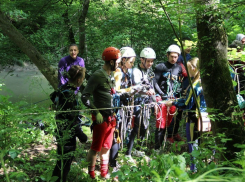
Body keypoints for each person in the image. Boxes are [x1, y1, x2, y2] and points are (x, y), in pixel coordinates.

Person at [81, 47, 121, 179]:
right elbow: (84, 96)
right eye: (117, 61)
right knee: (95, 147)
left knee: (106, 147)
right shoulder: (98, 76)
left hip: (110, 118)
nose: (119, 64)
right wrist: (95, 112)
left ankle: (104, 173)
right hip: (100, 118)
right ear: (111, 62)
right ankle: (90, 175)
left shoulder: (109, 76)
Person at [165, 57, 205, 171]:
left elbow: (187, 103)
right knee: (200, 144)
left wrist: (173, 102)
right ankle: (200, 168)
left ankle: (194, 170)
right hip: (203, 118)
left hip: (194, 118)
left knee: (193, 145)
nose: (187, 71)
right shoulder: (203, 82)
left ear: (194, 68)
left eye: (188, 68)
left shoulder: (196, 85)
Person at [52, 65, 88, 182]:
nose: (82, 81)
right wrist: (82, 136)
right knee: (65, 163)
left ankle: (54, 179)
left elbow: (54, 98)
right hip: (67, 133)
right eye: (82, 79)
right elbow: (72, 121)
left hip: (60, 129)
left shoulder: (63, 88)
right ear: (78, 80)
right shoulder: (70, 95)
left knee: (60, 161)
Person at [125, 47, 156, 158]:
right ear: (142, 60)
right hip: (137, 102)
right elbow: (137, 86)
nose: (150, 63)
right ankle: (128, 152)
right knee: (135, 126)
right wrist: (146, 91)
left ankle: (138, 149)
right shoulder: (136, 71)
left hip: (146, 103)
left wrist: (154, 100)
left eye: (152, 61)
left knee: (144, 126)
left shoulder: (148, 71)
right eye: (148, 61)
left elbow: (151, 85)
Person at [109, 47, 136, 171]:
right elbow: (117, 89)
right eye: (131, 62)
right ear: (123, 60)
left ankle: (115, 160)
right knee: (117, 133)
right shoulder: (118, 72)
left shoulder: (126, 72)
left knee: (122, 131)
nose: (132, 64)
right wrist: (130, 90)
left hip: (124, 106)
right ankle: (112, 163)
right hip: (117, 107)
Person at [154, 44, 187, 145]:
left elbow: (179, 82)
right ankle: (157, 146)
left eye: (176, 57)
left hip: (173, 98)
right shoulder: (160, 67)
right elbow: (155, 82)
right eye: (172, 56)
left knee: (170, 120)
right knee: (161, 121)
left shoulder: (179, 68)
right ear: (167, 55)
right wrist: (161, 93)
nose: (173, 59)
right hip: (162, 98)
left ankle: (168, 139)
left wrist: (180, 92)